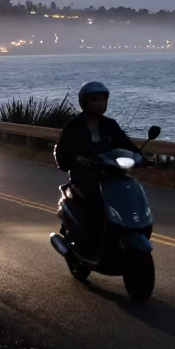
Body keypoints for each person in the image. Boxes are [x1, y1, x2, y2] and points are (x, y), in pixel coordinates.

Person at [54, 81, 140, 263]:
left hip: (111, 176)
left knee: (131, 191)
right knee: (96, 201)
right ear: (85, 102)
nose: (99, 104)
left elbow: (126, 145)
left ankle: (127, 233)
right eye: (94, 99)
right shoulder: (73, 127)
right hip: (84, 178)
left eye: (102, 99)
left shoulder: (110, 125)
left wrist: (142, 157)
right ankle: (89, 245)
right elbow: (62, 155)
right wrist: (77, 159)